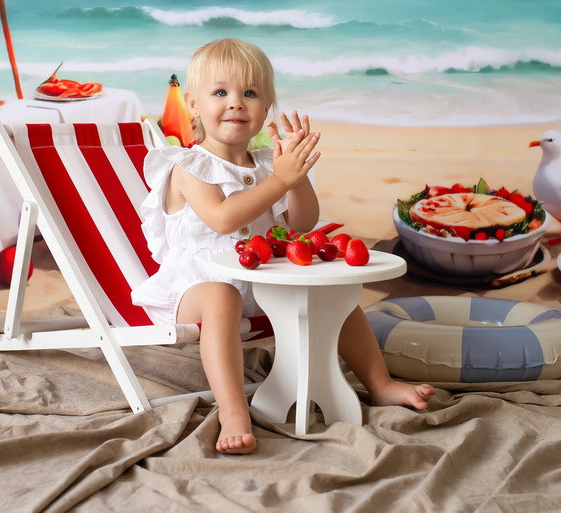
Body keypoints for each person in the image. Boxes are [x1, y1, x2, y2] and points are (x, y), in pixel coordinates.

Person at [133, 38, 435, 454]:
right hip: (197, 287)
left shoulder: (263, 163)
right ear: (193, 105)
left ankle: (379, 384)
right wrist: (280, 180)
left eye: (250, 94)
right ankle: (233, 409)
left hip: (259, 280)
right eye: (220, 92)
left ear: (266, 107)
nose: (236, 103)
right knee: (222, 297)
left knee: (328, 288)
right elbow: (223, 218)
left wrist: (295, 176)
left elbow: (301, 222)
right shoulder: (189, 165)